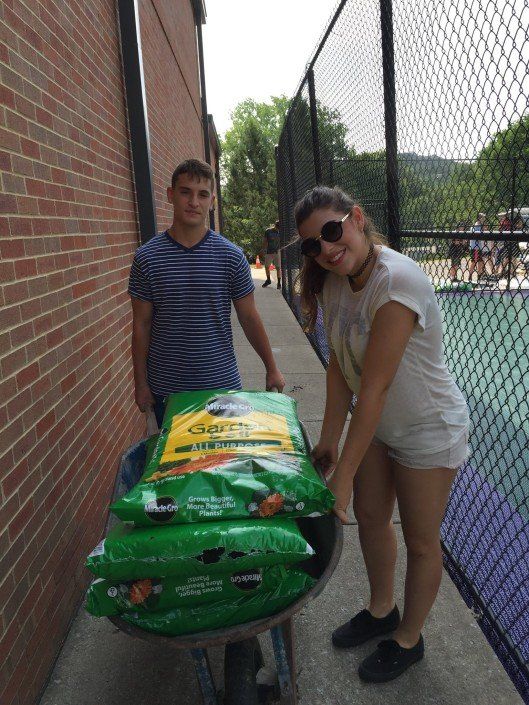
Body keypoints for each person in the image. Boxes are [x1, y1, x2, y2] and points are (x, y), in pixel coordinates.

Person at [295, 186, 469, 683]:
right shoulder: (335, 280)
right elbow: (338, 367)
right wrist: (330, 439)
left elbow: (373, 388)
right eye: (313, 244)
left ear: (356, 218)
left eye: (333, 231)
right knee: (372, 519)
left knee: (420, 540)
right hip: (379, 428)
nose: (327, 249)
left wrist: (342, 477)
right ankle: (381, 610)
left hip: (427, 428)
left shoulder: (396, 282)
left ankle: (409, 639)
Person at [129, 158, 285, 425]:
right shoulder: (147, 258)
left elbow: (249, 317)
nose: (194, 202)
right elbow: (141, 324)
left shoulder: (231, 256)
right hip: (166, 390)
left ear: (212, 201)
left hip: (221, 387)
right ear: (170, 195)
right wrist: (140, 383)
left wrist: (271, 367)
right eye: (185, 192)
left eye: (202, 195)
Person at [261, 220, 282, 289]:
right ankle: (268, 280)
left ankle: (279, 283)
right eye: (277, 227)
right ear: (275, 225)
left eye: (279, 228)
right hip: (269, 252)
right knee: (267, 266)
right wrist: (263, 249)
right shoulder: (268, 231)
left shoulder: (281, 232)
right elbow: (265, 240)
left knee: (278, 267)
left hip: (277, 252)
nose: (277, 229)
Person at [468, 212, 486, 280]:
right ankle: (470, 276)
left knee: (480, 262)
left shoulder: (479, 226)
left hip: (478, 247)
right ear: (479, 218)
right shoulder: (477, 226)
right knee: (474, 262)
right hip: (475, 247)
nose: (484, 219)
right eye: (483, 218)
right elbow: (477, 237)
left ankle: (479, 276)